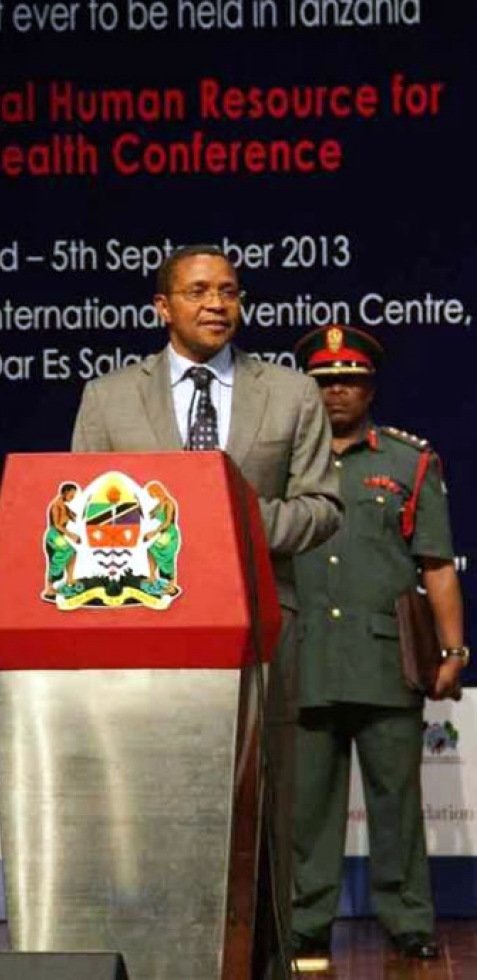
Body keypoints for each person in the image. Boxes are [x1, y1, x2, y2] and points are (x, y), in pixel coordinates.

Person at [71, 243, 343, 978]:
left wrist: (234, 524)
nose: (216, 303)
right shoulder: (107, 398)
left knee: (264, 818)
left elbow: (323, 507)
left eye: (228, 290)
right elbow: (81, 516)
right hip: (142, 640)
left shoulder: (289, 393)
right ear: (163, 307)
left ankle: (265, 963)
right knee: (149, 815)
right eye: (197, 291)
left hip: (260, 633)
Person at [291, 324, 468, 965]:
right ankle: (305, 922)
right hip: (304, 655)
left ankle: (408, 919)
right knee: (308, 806)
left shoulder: (408, 460)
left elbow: (437, 565)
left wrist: (453, 651)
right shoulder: (282, 459)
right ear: (307, 389)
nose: (338, 391)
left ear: (370, 388)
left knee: (397, 801)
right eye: (325, 381)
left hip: (386, 659)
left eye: (351, 380)